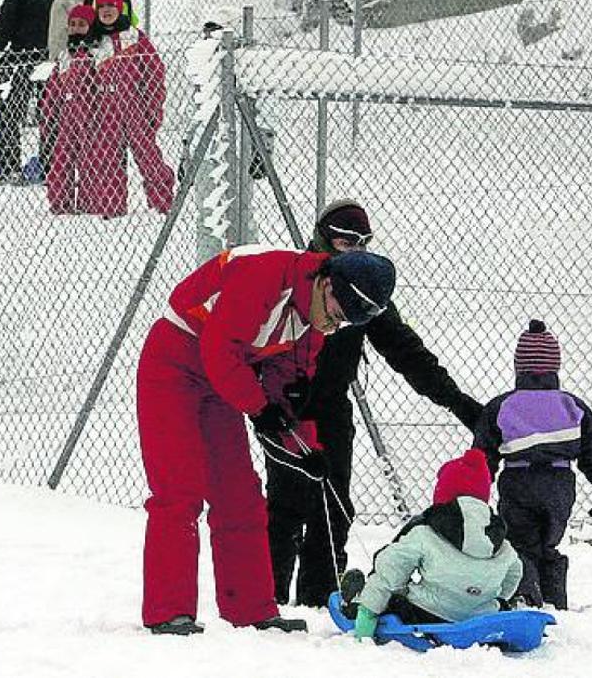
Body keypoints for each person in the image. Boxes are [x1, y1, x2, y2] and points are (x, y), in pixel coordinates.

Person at [138, 246, 397, 635]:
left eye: (344, 322)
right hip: (174, 363)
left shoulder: (310, 322)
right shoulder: (264, 276)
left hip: (223, 379)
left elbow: (286, 386)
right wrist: (258, 407)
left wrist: (305, 449)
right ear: (327, 283)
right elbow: (219, 348)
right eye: (337, 313)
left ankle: (252, 608)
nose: (334, 325)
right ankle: (169, 611)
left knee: (240, 494)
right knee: (179, 489)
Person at [267, 200, 484, 608]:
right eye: (346, 241)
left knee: (334, 506)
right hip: (285, 406)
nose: (356, 250)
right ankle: (268, 599)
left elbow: (405, 351)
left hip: (332, 407)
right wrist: (266, 405)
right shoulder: (300, 280)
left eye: (363, 243)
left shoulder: (364, 289)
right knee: (285, 504)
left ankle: (319, 599)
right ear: (324, 239)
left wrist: (458, 403)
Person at [338, 449, 523, 638]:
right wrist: (492, 597)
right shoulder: (499, 540)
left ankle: (355, 603)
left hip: (426, 615)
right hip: (480, 618)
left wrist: (367, 613)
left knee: (391, 595)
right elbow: (515, 572)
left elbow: (391, 568)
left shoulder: (426, 533)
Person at [474, 320, 592, 610]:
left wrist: (475, 495)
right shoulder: (573, 406)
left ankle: (527, 599)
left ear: (519, 367)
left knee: (521, 544)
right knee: (547, 545)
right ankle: (555, 601)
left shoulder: (502, 406)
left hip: (519, 481)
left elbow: (482, 456)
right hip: (560, 484)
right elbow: (591, 453)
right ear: (555, 367)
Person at [82, 0, 173, 217]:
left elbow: (154, 75)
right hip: (105, 112)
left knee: (149, 158)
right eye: (101, 7)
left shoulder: (134, 37)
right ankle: (112, 208)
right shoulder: (93, 42)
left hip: (135, 109)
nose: (106, 11)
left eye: (111, 6)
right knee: (107, 161)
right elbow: (85, 81)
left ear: (120, 8)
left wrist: (153, 109)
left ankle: (162, 204)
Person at [0, 0, 63, 183]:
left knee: (11, 112)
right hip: (51, 58)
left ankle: (9, 166)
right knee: (50, 113)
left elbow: (7, 16)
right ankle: (50, 165)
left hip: (20, 56)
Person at [39, 4, 97, 214]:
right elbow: (53, 88)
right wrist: (48, 113)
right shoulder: (64, 56)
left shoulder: (94, 54)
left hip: (90, 116)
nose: (75, 28)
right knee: (61, 160)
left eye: (81, 24)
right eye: (72, 24)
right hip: (66, 116)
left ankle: (89, 201)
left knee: (89, 161)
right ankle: (60, 202)